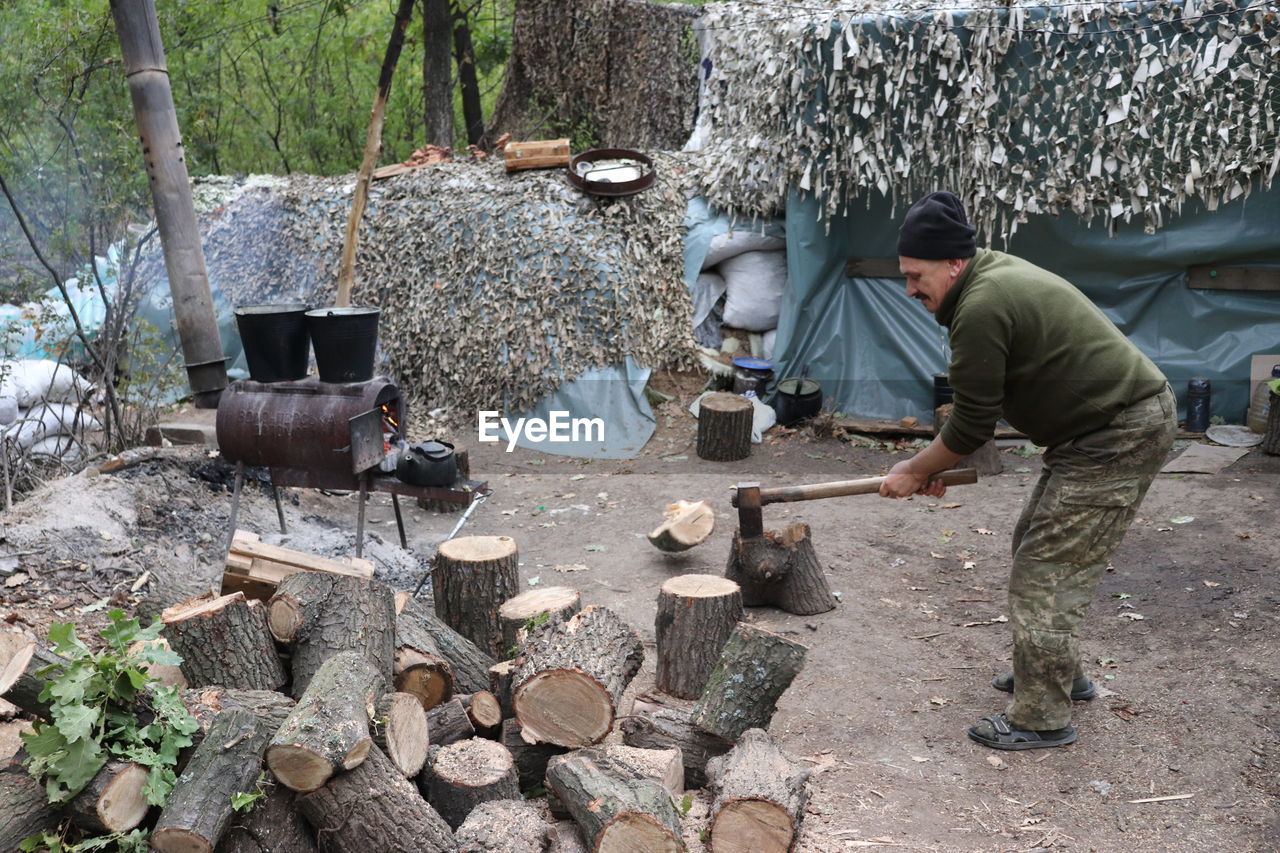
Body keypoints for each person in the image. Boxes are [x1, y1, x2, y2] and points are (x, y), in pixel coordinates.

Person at [879, 190, 1176, 750]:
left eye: (917, 276)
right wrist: (933, 465)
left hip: (1119, 433)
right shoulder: (984, 282)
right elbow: (972, 424)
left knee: (1046, 571)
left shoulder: (981, 304)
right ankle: (1059, 673)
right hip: (1095, 432)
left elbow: (970, 428)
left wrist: (916, 469)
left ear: (953, 263)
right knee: (1035, 545)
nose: (910, 290)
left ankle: (1041, 715)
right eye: (905, 276)